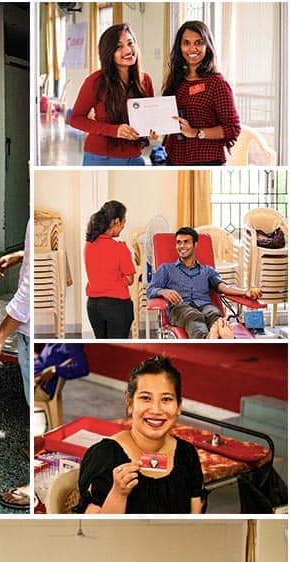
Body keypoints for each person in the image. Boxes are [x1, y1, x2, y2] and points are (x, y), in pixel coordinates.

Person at [76, 355, 204, 515]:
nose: (156, 410)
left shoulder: (187, 454)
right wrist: (118, 493)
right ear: (129, 403)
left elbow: (195, 518)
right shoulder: (104, 455)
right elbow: (92, 530)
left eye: (166, 399)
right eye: (145, 398)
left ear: (179, 406)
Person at [146, 227, 262, 339]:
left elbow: (223, 287)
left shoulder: (207, 270)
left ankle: (224, 338)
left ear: (195, 244)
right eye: (179, 242)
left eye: (186, 242)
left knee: (216, 317)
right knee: (193, 316)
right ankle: (208, 338)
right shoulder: (166, 269)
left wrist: (245, 292)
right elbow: (150, 290)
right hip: (180, 308)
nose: (182, 246)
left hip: (205, 305)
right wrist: (164, 291)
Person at [0, 221, 31, 510]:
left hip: (35, 331)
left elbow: (28, 292)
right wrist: (22, 255)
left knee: (37, 403)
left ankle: (34, 486)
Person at [69, 23, 154, 166]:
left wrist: (153, 129)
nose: (127, 50)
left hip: (135, 157)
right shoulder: (95, 81)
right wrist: (114, 130)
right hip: (101, 157)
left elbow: (148, 117)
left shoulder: (145, 80)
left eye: (130, 43)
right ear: (109, 52)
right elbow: (76, 119)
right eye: (119, 46)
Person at [163, 20, 240, 166]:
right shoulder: (176, 80)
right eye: (186, 43)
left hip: (207, 161)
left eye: (198, 42)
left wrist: (196, 132)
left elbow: (233, 128)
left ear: (207, 47)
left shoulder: (216, 82)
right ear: (180, 47)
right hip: (176, 159)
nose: (192, 48)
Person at [84, 201, 136, 339]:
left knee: (102, 345)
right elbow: (130, 279)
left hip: (93, 306)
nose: (124, 225)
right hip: (117, 306)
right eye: (124, 221)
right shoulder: (120, 248)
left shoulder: (89, 245)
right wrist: (118, 279)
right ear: (116, 221)